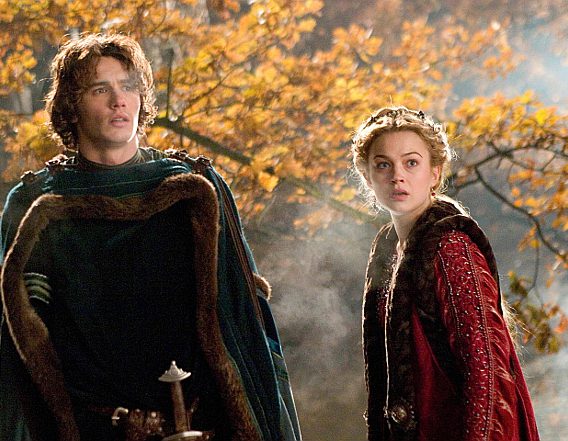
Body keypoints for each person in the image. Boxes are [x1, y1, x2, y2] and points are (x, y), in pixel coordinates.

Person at [0, 33, 301, 441]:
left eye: (128, 87)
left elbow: (249, 322)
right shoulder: (37, 203)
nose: (118, 101)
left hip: (205, 425)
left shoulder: (196, 187)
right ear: (71, 107)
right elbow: (20, 351)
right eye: (100, 89)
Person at [350, 106, 540, 441]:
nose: (397, 176)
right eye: (383, 165)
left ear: (434, 173)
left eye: (411, 163)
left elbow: (486, 373)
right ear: (367, 177)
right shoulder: (388, 247)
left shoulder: (451, 246)